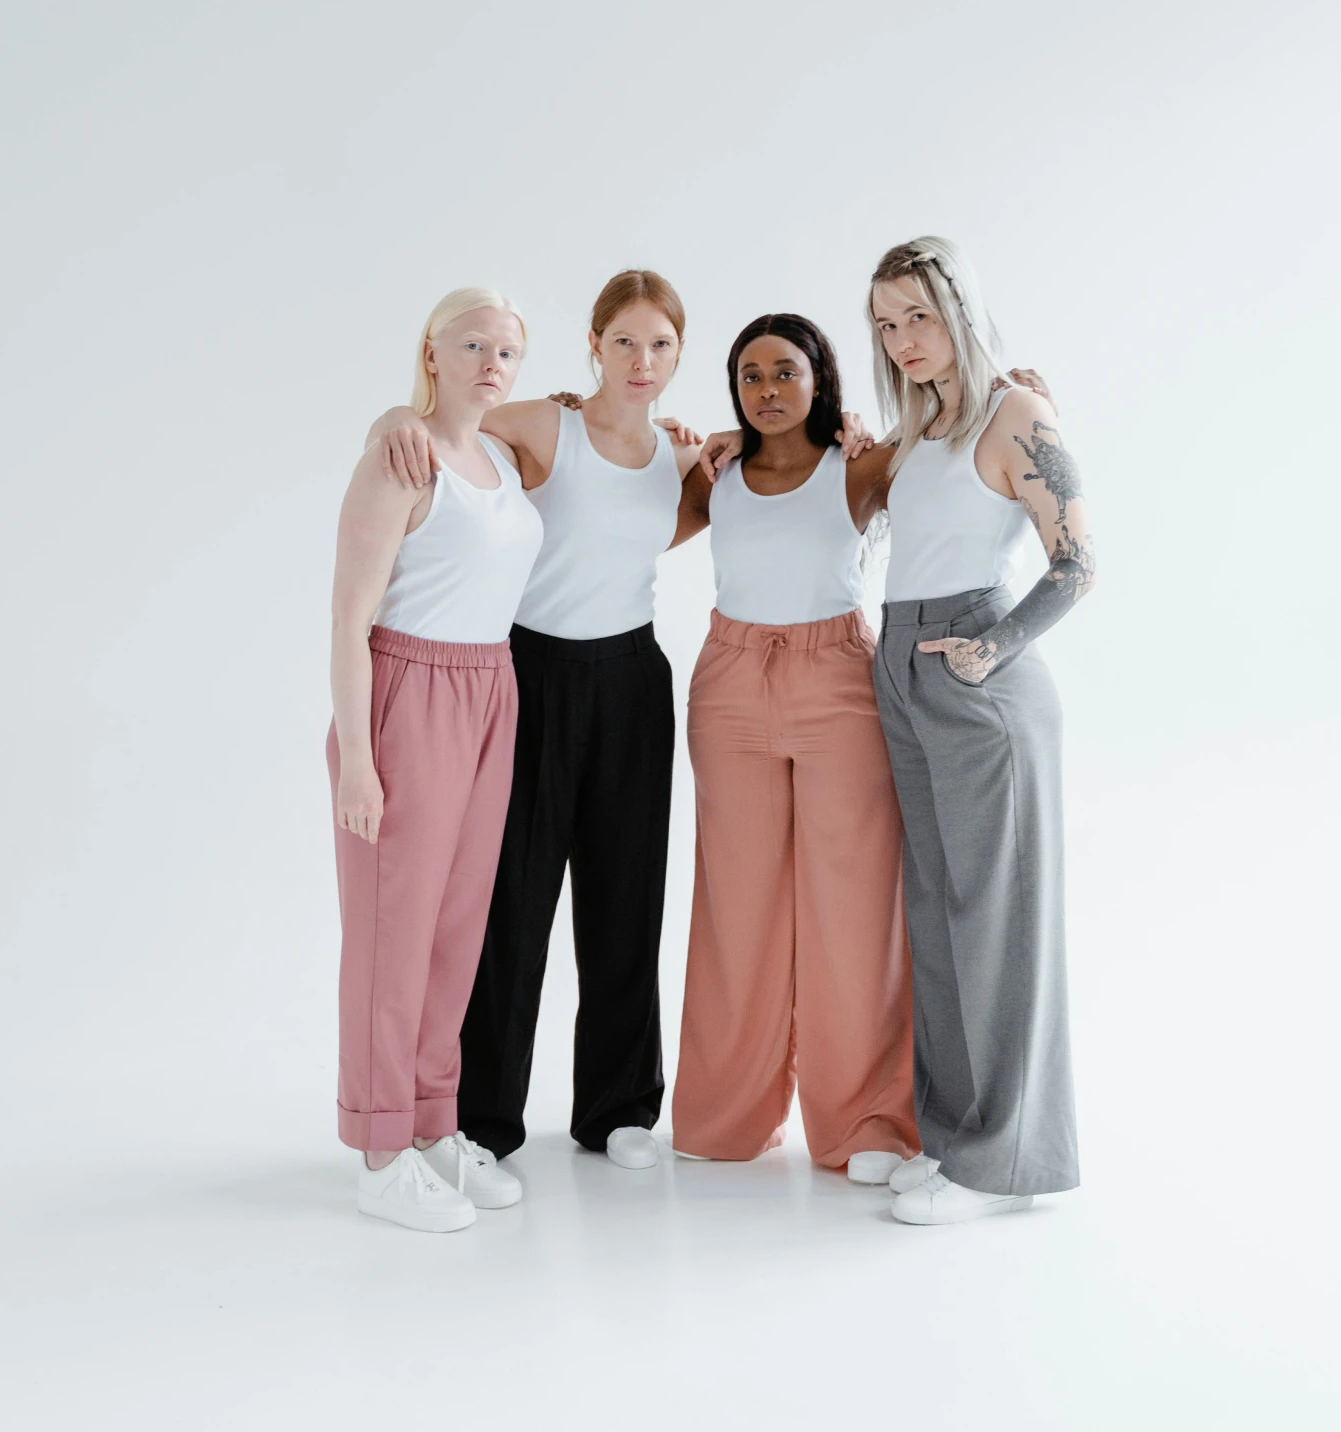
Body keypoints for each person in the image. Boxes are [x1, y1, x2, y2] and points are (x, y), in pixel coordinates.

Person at [368, 270, 705, 1171]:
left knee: (626, 897)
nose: (642, 360)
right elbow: (434, 423)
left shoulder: (685, 459)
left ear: (680, 354)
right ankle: (481, 1115)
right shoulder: (542, 424)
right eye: (624, 341)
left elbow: (784, 461)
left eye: (660, 345)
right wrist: (389, 422)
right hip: (533, 672)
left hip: (633, 678)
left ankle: (620, 1106)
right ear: (592, 345)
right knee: (510, 900)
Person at [862, 236, 1099, 1225]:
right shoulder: (921, 425)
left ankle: (1004, 1164)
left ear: (956, 308)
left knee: (998, 924)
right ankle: (957, 1135)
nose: (902, 339)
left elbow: (1077, 562)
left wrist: (990, 650)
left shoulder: (1015, 414)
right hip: (903, 672)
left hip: (975, 682)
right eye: (883, 323)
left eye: (916, 314)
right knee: (939, 917)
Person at [666, 314, 919, 1183]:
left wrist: (1027, 395)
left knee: (851, 909)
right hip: (730, 682)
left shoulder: (860, 465)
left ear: (821, 379)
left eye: (785, 372)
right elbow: (625, 518)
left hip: (837, 682)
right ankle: (727, 1113)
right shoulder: (718, 472)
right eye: (750, 376)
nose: (767, 390)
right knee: (737, 903)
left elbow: (949, 449)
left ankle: (866, 1123)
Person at [326, 287, 544, 1231]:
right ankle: (378, 1152)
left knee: (457, 929)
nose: (492, 362)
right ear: (432, 350)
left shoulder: (502, 455)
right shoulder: (399, 455)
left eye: (507, 350)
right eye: (472, 344)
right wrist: (359, 760)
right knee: (393, 931)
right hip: (407, 690)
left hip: (492, 686)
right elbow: (347, 619)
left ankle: (430, 1125)